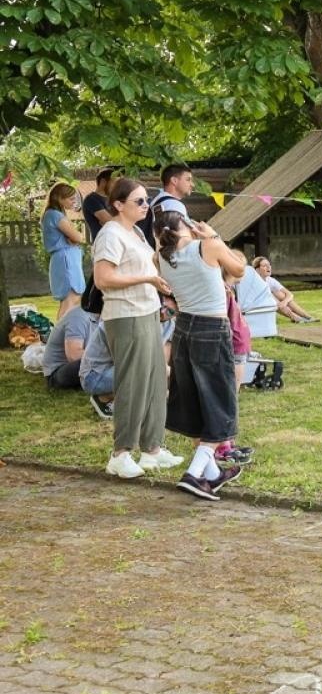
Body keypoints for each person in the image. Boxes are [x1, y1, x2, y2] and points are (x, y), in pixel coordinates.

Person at [156, 211, 249, 501]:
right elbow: (240, 269)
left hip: (183, 329)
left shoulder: (159, 258)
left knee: (196, 401)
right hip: (211, 327)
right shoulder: (207, 246)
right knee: (220, 401)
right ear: (186, 226)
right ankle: (194, 473)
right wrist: (212, 236)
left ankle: (212, 474)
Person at [92, 177, 181, 480]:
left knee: (156, 379)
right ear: (118, 204)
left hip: (146, 311)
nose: (146, 206)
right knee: (132, 383)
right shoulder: (111, 234)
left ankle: (152, 449)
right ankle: (121, 453)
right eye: (139, 201)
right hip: (125, 315)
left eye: (146, 200)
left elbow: (146, 266)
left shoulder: (137, 234)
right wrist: (147, 280)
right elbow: (104, 279)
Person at [41, 182, 87, 319]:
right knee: (70, 300)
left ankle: (67, 336)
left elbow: (75, 238)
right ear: (59, 198)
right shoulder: (55, 215)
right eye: (71, 199)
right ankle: (59, 337)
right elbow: (78, 237)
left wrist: (74, 238)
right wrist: (76, 237)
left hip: (65, 259)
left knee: (72, 301)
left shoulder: (51, 214)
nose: (74, 202)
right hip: (66, 260)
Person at [42, 300, 95, 391]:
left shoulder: (102, 317)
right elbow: (73, 355)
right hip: (58, 372)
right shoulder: (79, 316)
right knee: (98, 362)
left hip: (82, 365)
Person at [139, 163, 195, 247]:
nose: (192, 184)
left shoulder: (157, 201)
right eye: (188, 179)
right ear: (174, 181)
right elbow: (182, 240)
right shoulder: (173, 205)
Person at [79, 317, 116, 419]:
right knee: (141, 369)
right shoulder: (117, 323)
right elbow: (124, 361)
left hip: (110, 370)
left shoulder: (161, 322)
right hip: (93, 377)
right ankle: (105, 398)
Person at [81, 167, 117, 244]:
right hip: (103, 245)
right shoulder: (92, 199)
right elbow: (111, 222)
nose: (116, 187)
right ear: (103, 182)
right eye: (114, 183)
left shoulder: (113, 200)